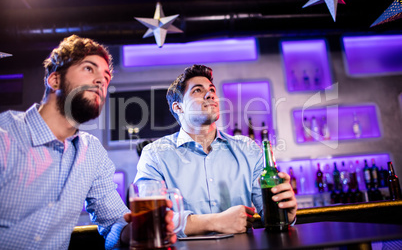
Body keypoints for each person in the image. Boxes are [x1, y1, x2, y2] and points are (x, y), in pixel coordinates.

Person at [0, 35, 176, 249]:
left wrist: (137, 229)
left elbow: (114, 224)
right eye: (89, 69)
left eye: (106, 77)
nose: (101, 81)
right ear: (54, 79)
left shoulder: (92, 152)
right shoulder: (5, 135)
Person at [134, 64, 297, 237]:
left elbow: (269, 215)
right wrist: (216, 222)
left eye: (212, 89)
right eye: (197, 90)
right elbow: (148, 220)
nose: (210, 94)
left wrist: (286, 210)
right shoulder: (155, 154)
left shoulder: (248, 149)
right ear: (178, 107)